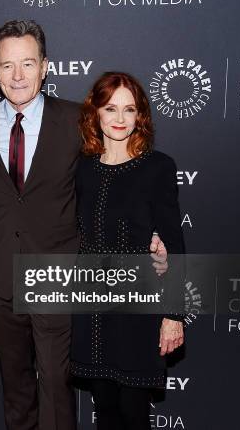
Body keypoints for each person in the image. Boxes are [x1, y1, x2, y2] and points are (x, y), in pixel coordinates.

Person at [0, 20, 168, 429]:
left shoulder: (77, 121)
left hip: (59, 274)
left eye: (27, 63)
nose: (17, 76)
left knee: (56, 387)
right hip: (1, 279)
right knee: (15, 386)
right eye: (7, 66)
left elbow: (115, 176)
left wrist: (151, 230)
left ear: (45, 66)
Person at [70, 71, 185, 430]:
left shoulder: (158, 167)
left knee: (134, 412)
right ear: (96, 114)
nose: (120, 119)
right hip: (92, 307)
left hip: (139, 307)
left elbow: (174, 245)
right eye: (110, 109)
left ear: (140, 116)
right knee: (104, 409)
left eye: (129, 109)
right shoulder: (84, 169)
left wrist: (173, 315)